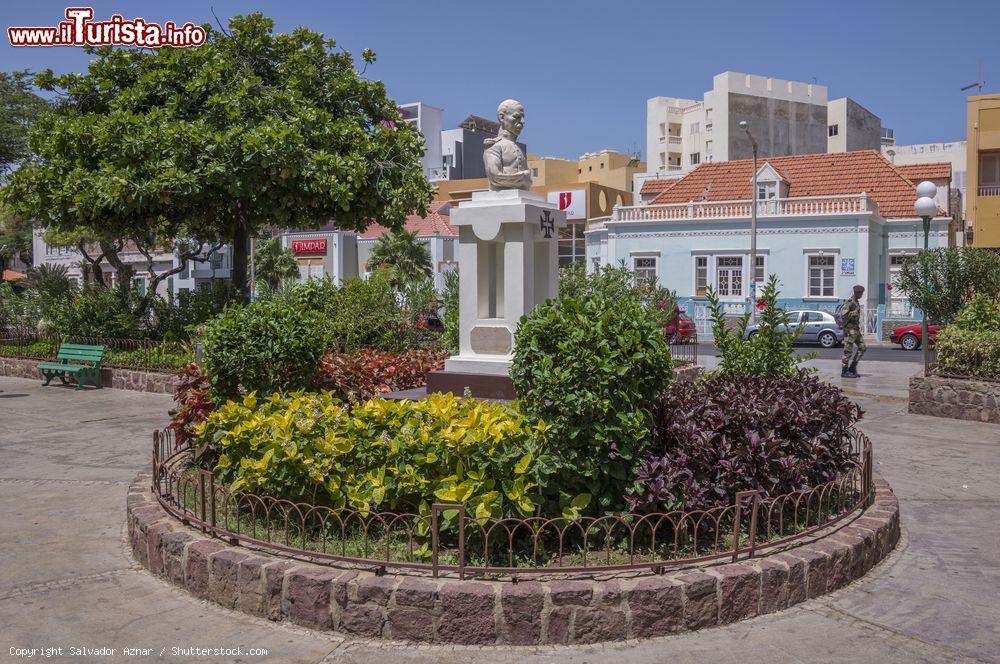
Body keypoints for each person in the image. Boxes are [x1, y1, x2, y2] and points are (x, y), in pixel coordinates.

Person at [841, 285, 867, 378]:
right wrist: (854, 312)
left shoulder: (857, 302)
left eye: (862, 293)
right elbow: (843, 315)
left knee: (863, 347)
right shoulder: (850, 302)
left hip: (856, 330)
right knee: (848, 351)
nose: (861, 295)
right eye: (860, 293)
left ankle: (852, 367)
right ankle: (844, 371)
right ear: (856, 292)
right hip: (849, 331)